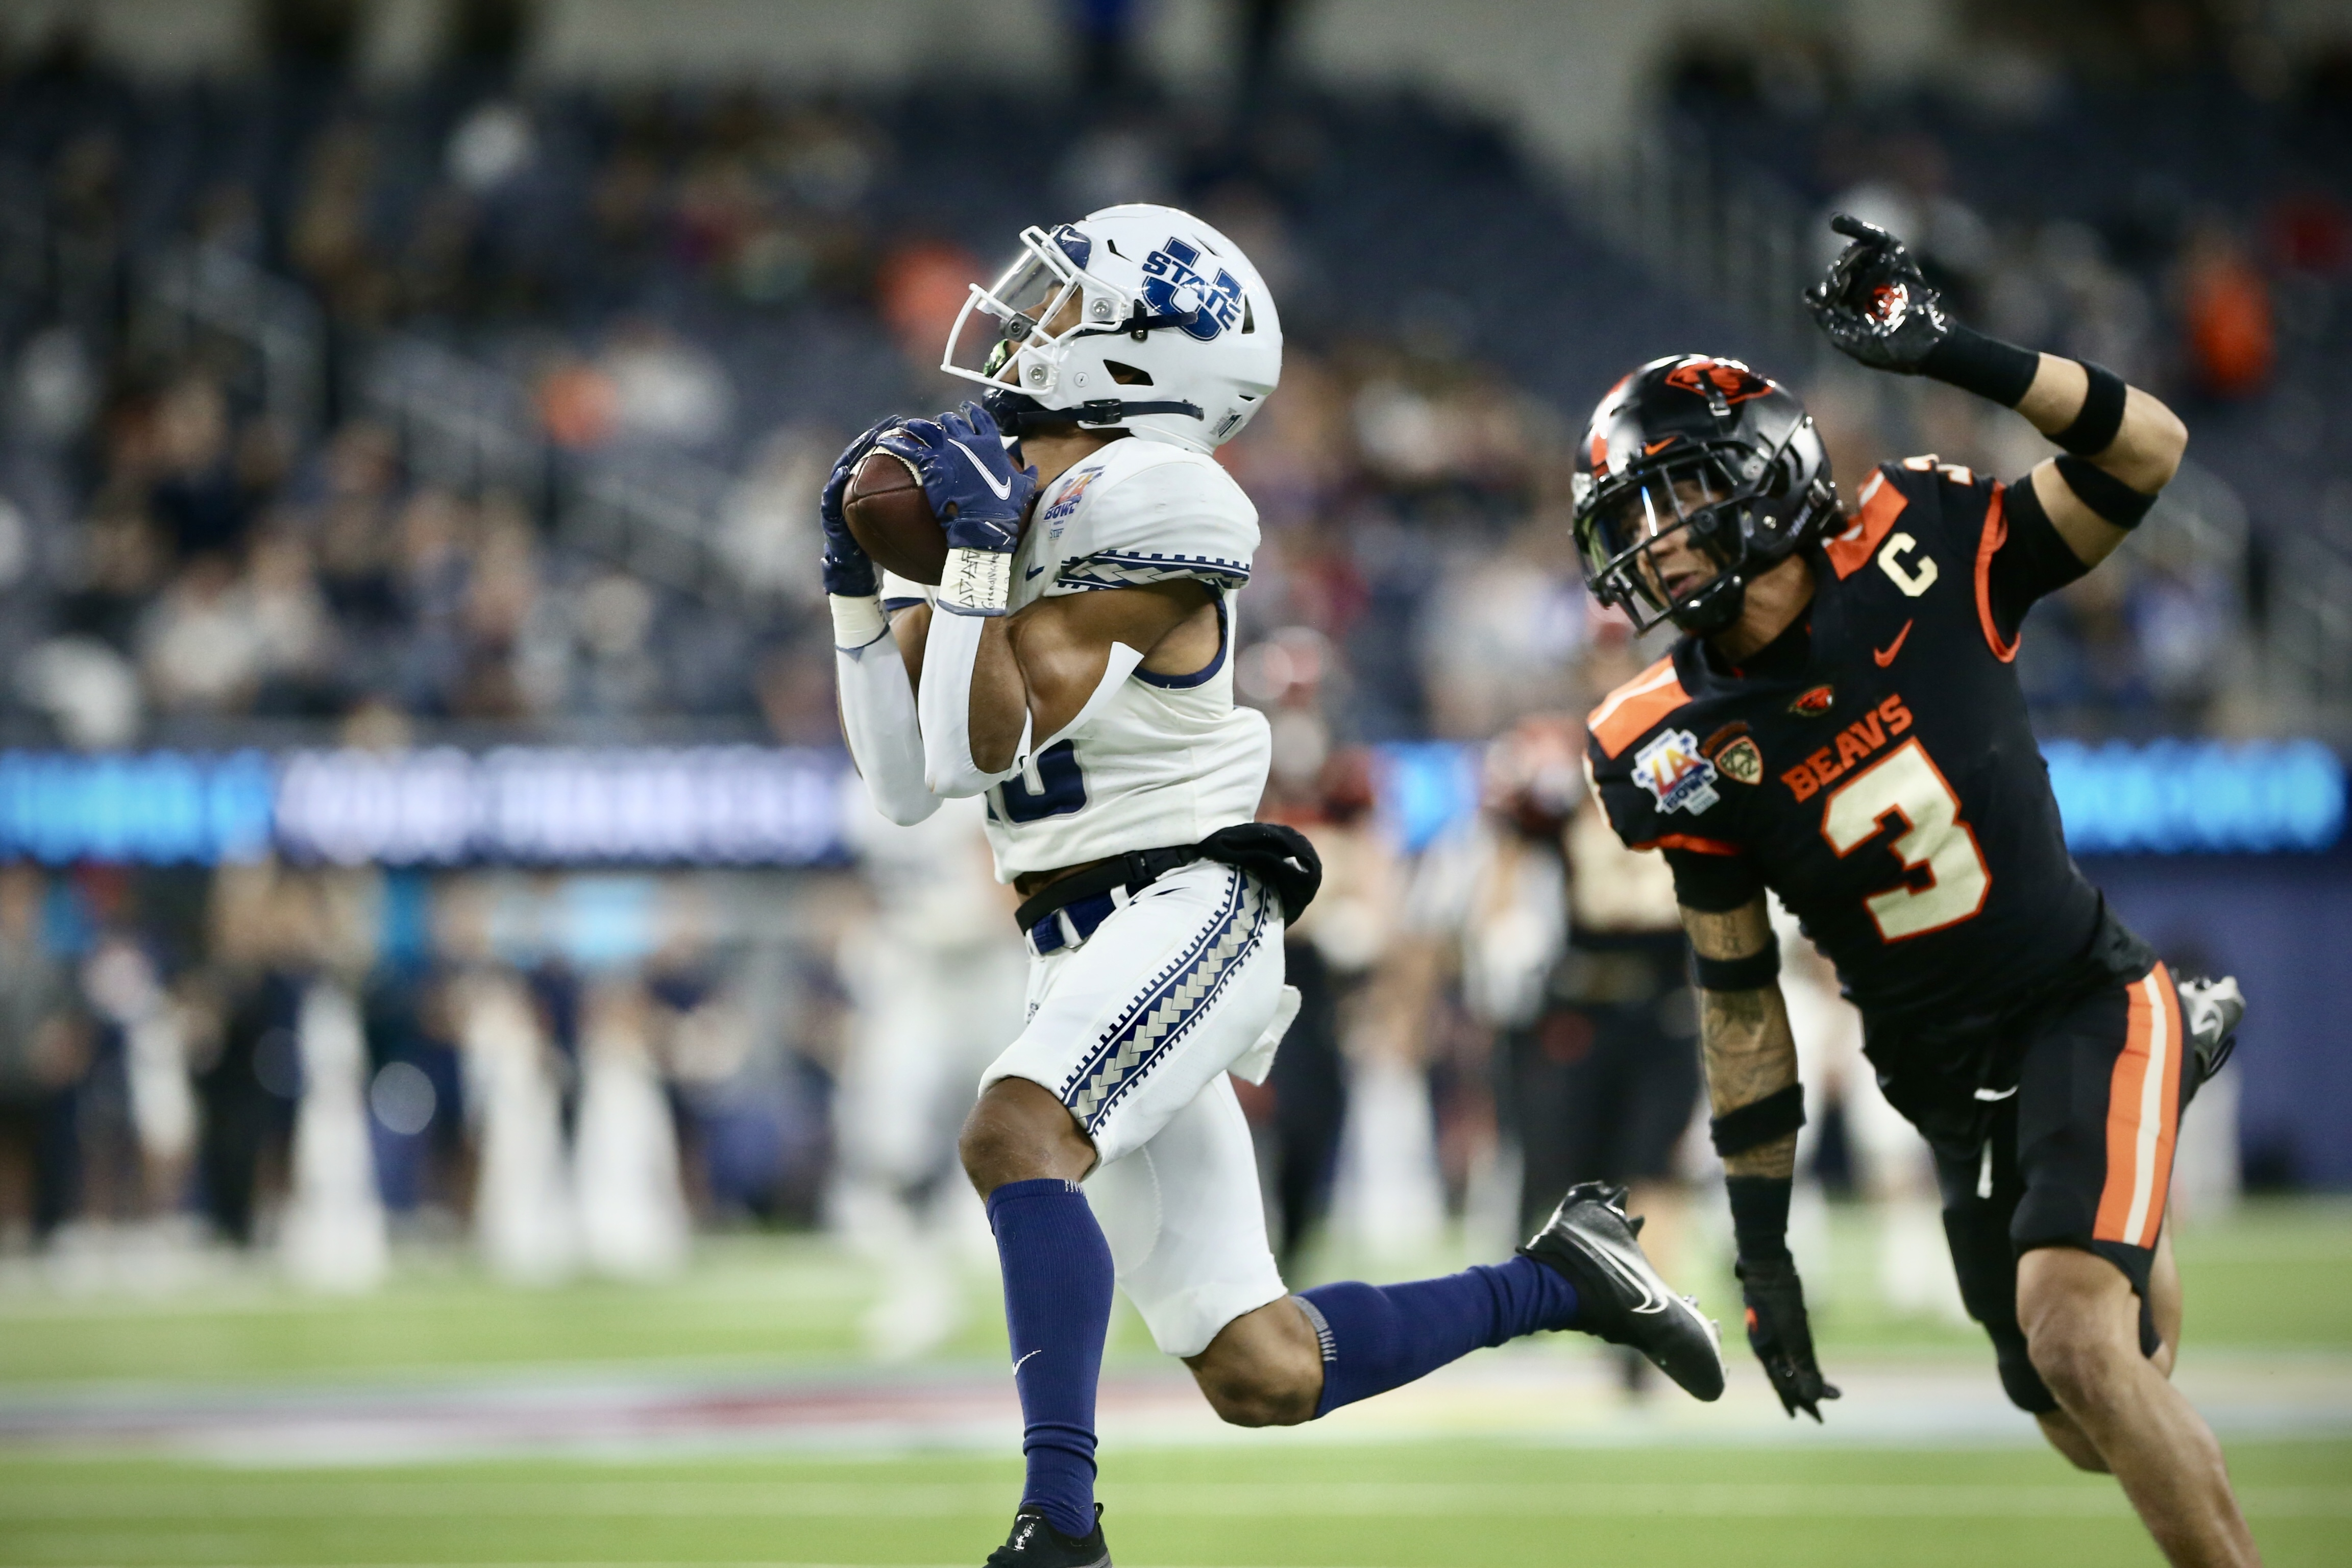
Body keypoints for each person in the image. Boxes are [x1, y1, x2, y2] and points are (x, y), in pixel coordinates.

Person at [825, 205, 1724, 1568]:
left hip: (1185, 902)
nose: (1023, 319)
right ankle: (1564, 1277)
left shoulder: (1167, 497)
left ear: (1142, 355)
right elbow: (907, 780)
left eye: (1067, 303)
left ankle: (1058, 1532)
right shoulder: (1014, 483)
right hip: (1072, 940)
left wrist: (966, 559)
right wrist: (854, 591)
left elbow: (981, 737)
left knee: (1016, 1131)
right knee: (1263, 1369)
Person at [1574, 216, 2256, 1566]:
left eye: (1673, 499)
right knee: (2076, 1405)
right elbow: (1739, 999)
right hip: (1937, 1075)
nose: (1653, 547)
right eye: (1631, 520)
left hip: (2075, 995)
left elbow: (2149, 450)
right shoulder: (1667, 739)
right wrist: (1761, 1248)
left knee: (2074, 1332)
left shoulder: (1924, 547)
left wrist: (1960, 354)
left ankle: (2149, 1057)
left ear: (1764, 478)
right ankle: (2157, 1107)